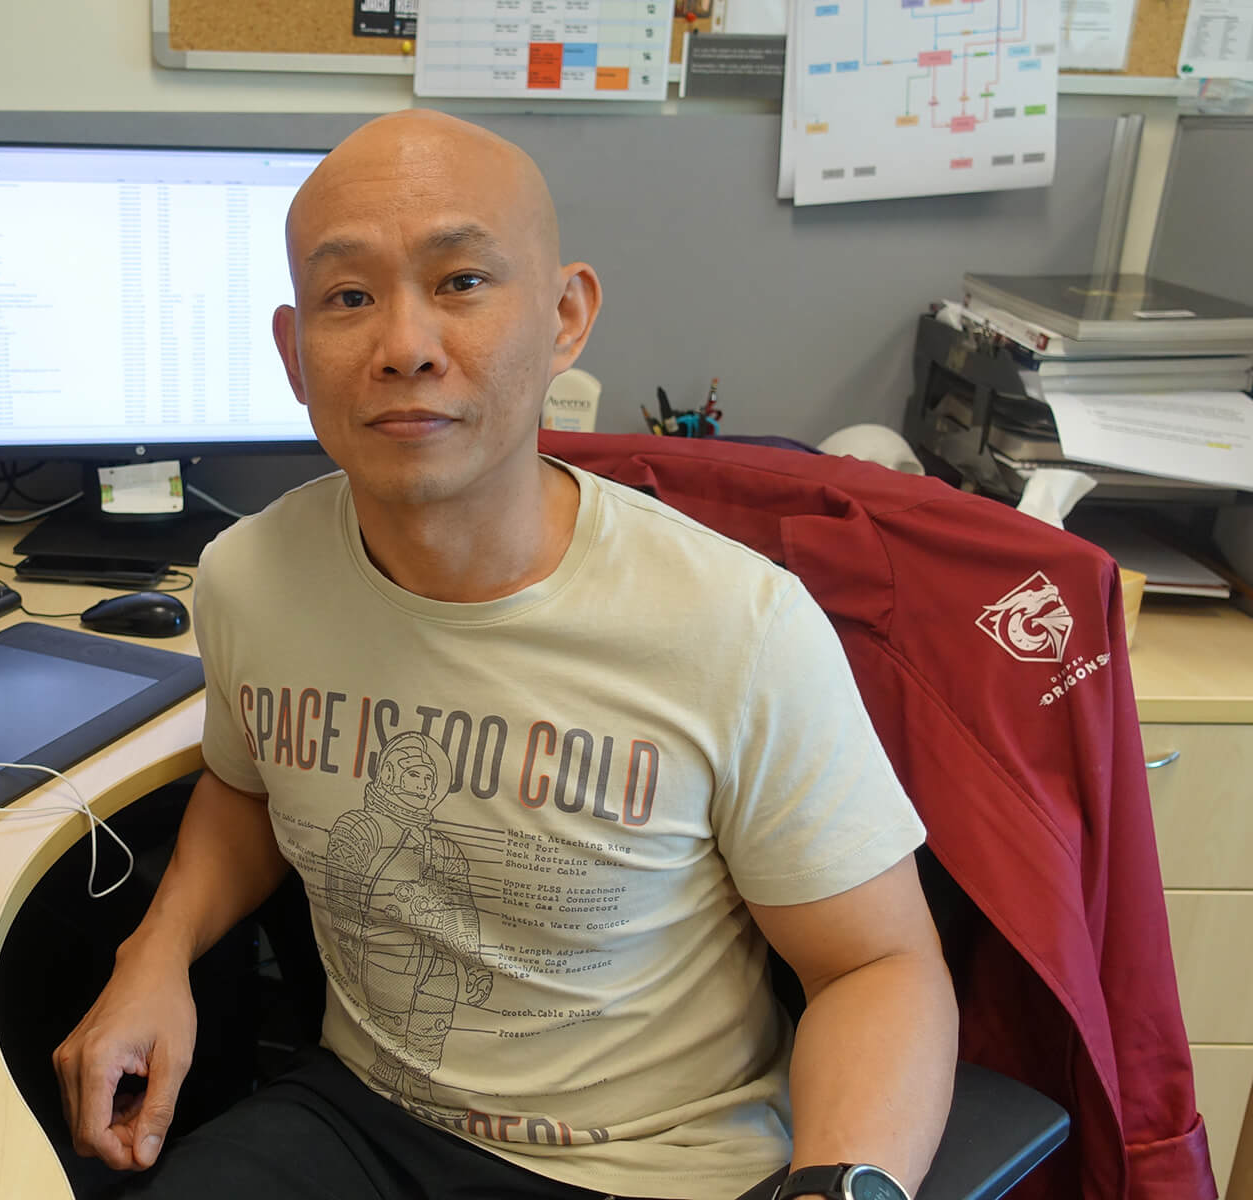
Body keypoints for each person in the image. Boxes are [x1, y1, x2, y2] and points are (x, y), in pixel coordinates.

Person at [53, 111, 957, 1200]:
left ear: (566, 317)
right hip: (359, 1114)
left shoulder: (735, 625)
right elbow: (248, 792)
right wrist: (154, 954)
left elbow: (877, 964)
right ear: (296, 356)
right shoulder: (250, 575)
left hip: (650, 1165)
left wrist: (841, 1185)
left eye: (462, 281)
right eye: (349, 298)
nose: (404, 345)